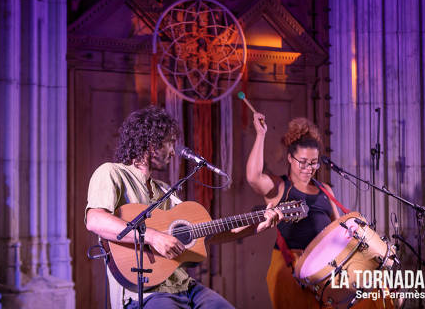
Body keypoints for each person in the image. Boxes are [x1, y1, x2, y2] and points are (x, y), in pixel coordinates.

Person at [85, 106, 281, 309]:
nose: (173, 151)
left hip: (184, 286)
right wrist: (153, 237)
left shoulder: (164, 189)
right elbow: (95, 220)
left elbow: (207, 233)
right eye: (170, 143)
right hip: (145, 292)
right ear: (152, 144)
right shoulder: (112, 173)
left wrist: (255, 226)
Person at [246, 113, 339, 308]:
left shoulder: (325, 190)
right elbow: (254, 178)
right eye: (302, 162)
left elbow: (338, 231)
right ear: (290, 157)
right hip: (290, 271)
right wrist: (260, 134)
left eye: (314, 163)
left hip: (323, 272)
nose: (309, 168)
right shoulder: (280, 187)